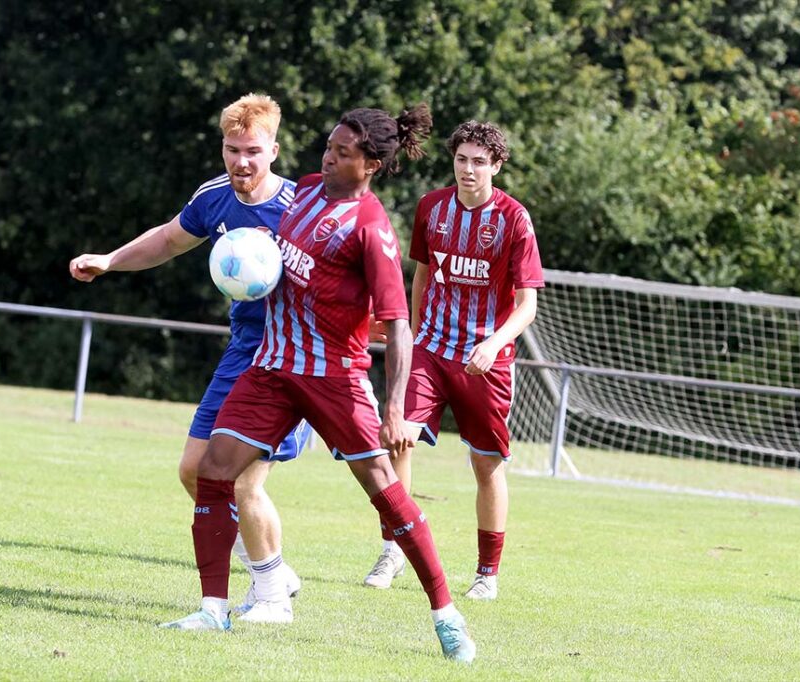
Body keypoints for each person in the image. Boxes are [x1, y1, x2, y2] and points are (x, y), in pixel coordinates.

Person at [161, 103, 477, 663]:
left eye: (343, 153)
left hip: (335, 378)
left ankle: (446, 614)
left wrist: (398, 407)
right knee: (212, 472)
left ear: (372, 163)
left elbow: (399, 325)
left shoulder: (372, 229)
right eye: (329, 147)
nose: (328, 158)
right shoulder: (305, 191)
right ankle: (213, 610)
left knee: (385, 491)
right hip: (273, 369)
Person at [68, 94, 307, 615]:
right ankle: (274, 571)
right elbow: (169, 241)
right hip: (243, 349)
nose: (241, 162)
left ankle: (271, 598)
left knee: (242, 478)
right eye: (231, 150)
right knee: (195, 471)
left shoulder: (301, 207)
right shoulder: (214, 197)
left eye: (252, 151)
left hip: (293, 356)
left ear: (274, 150)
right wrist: (109, 260)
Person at [362, 121, 544, 601]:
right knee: (396, 438)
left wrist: (493, 342)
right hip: (432, 350)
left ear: (496, 166)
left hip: (487, 361)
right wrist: (413, 331)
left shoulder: (514, 219)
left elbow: (528, 304)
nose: (468, 169)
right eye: (462, 159)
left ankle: (487, 574)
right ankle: (394, 550)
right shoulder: (432, 208)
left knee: (486, 465)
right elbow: (422, 275)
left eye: (479, 162)